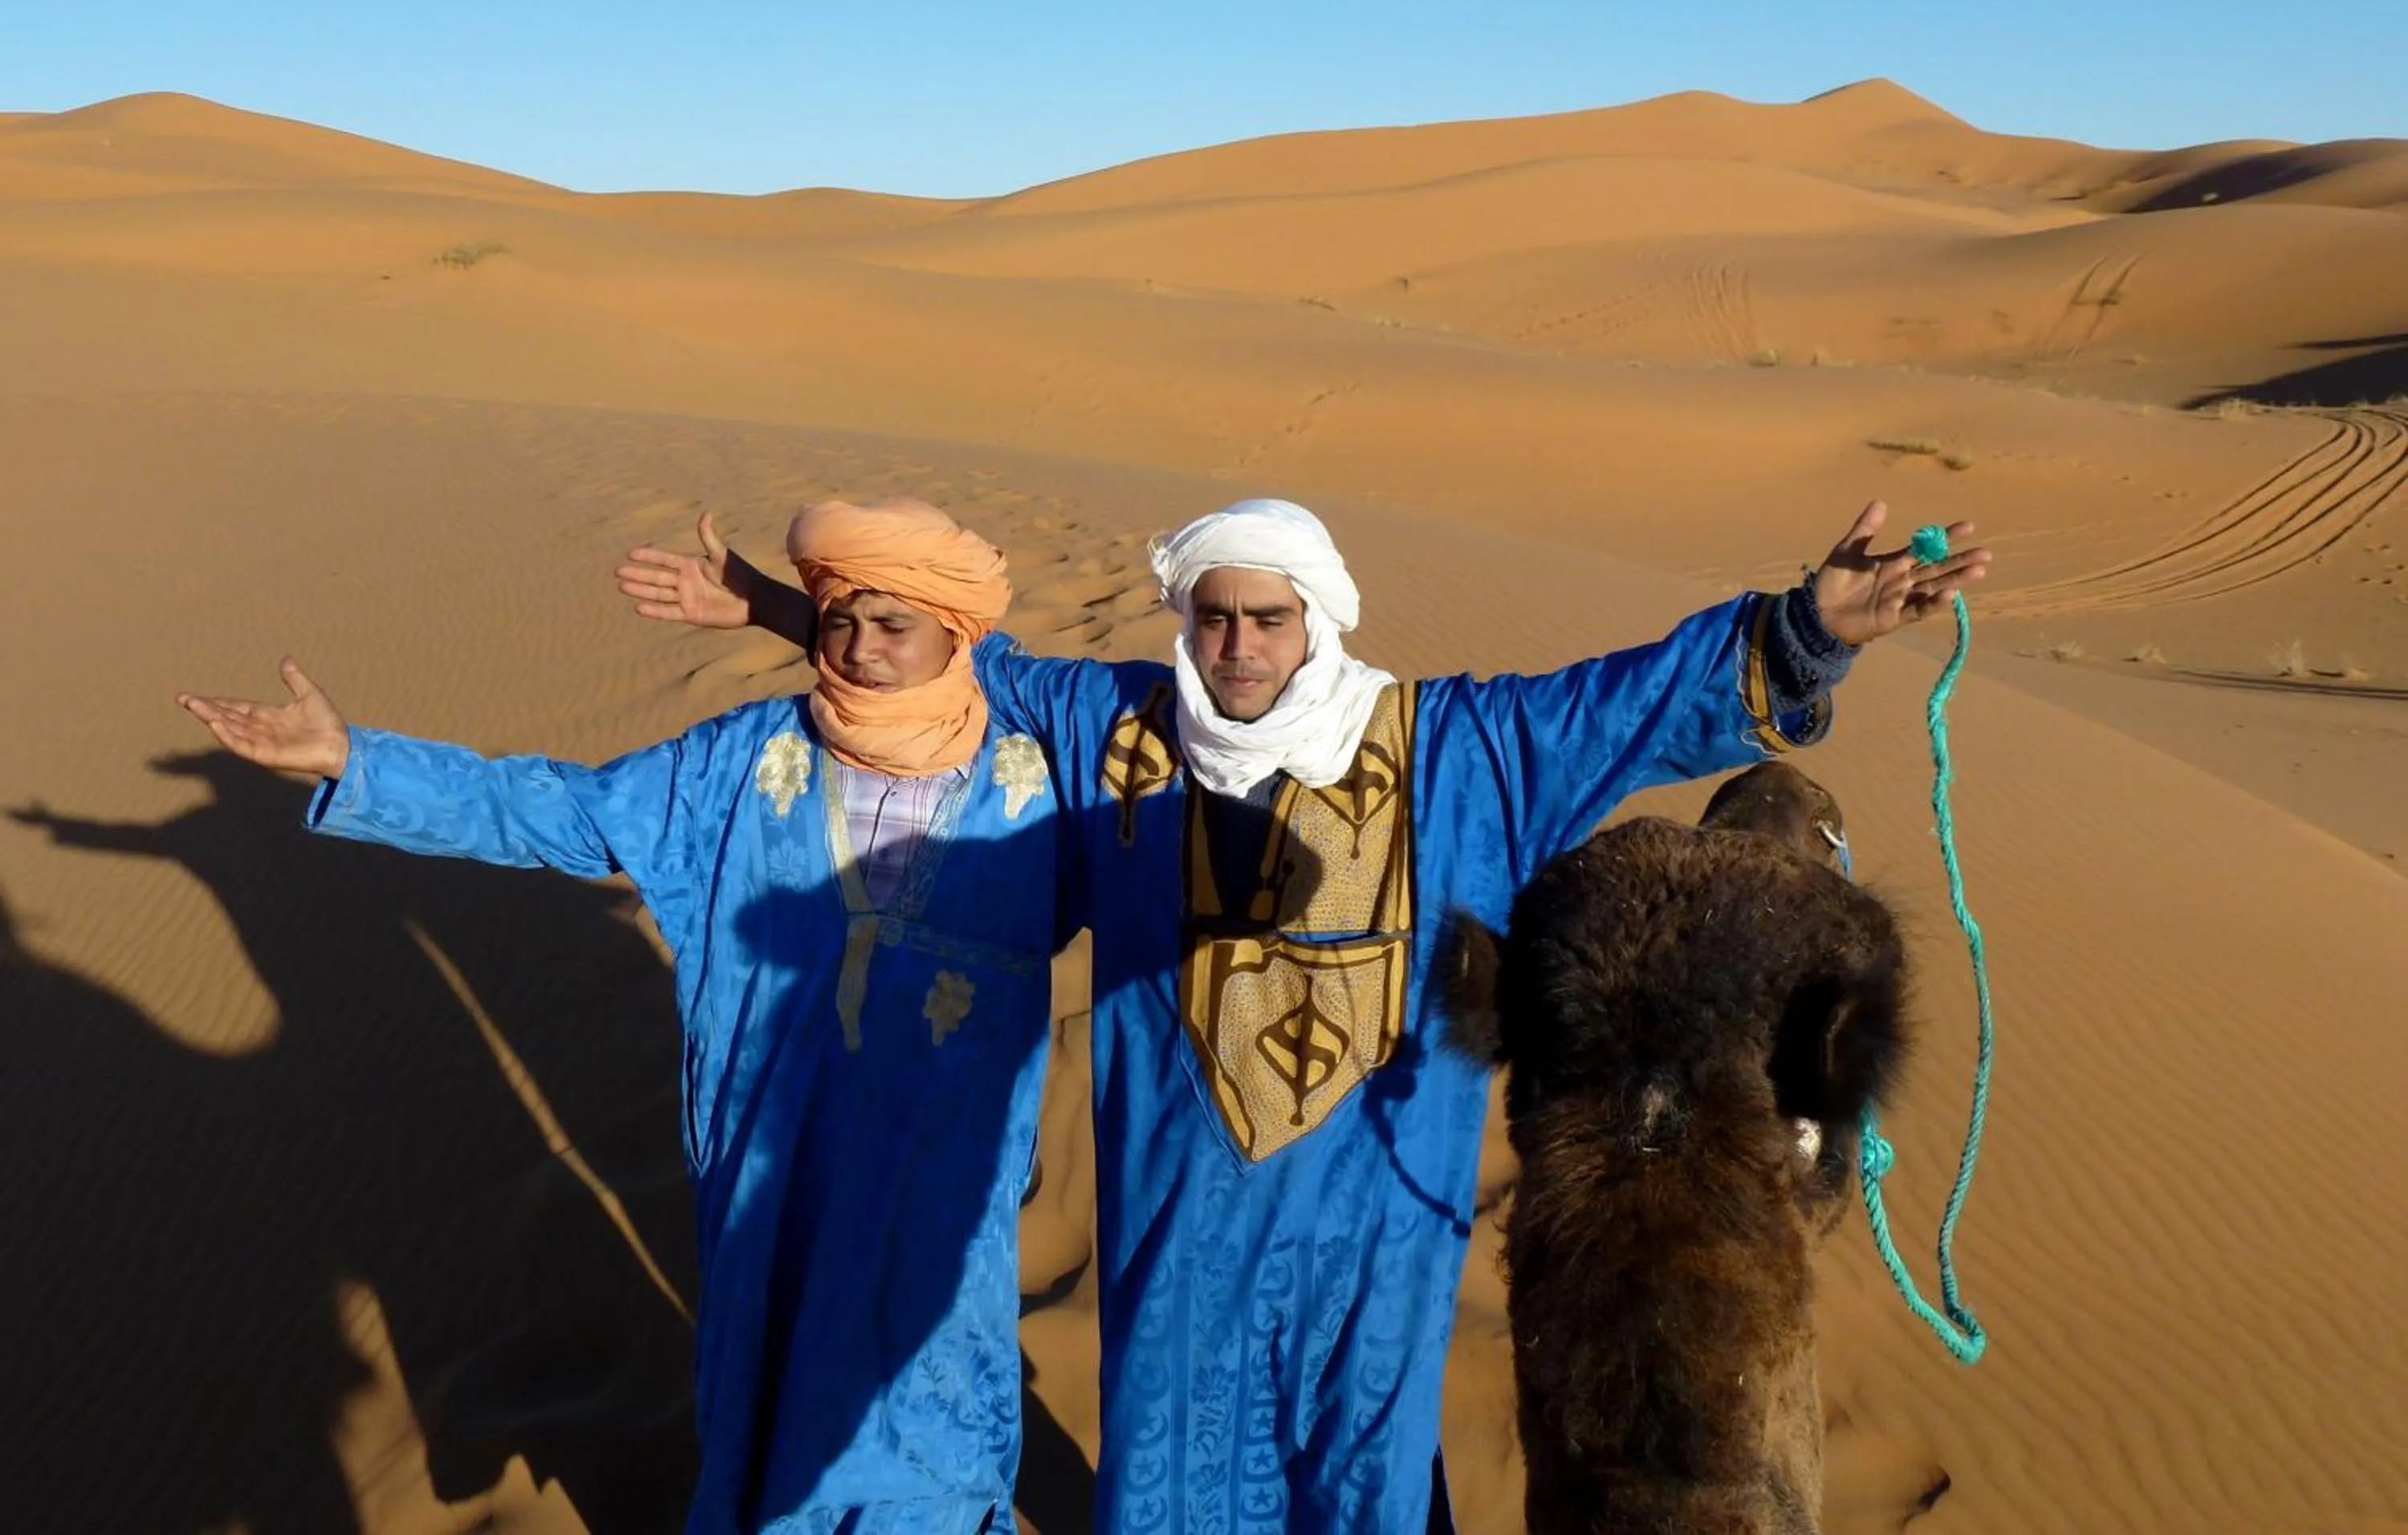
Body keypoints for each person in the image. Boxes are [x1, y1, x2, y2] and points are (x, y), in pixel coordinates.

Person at [617, 497, 1991, 1533]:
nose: (1240, 646)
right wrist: (773, 607)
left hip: (1370, 1262)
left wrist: (1808, 626)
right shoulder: (1120, 730)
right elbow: (945, 667)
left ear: (1319, 622)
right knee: (1164, 1487)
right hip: (1182, 1249)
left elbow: (1639, 704)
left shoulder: (1459, 748)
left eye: (1270, 619)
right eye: (1215, 616)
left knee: (1361, 1497)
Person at [184, 499, 1072, 1535]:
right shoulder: (741, 758)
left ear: (957, 634)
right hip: (769, 1165)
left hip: (945, 1171)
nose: (861, 652)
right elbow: (564, 812)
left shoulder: (1044, 773)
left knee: (933, 1401)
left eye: (894, 627)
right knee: (769, 1393)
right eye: (840, 623)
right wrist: (359, 762)